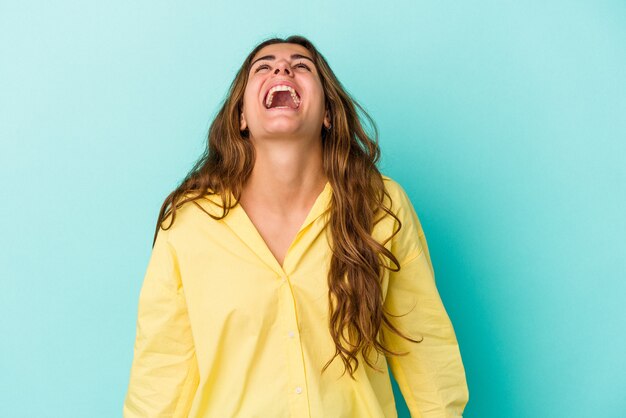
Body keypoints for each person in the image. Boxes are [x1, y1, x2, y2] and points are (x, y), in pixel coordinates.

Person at [123, 35, 469, 417]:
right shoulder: (189, 224)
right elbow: (159, 377)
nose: (282, 68)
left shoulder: (381, 207)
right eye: (263, 66)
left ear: (328, 114)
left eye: (301, 66)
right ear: (241, 117)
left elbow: (427, 354)